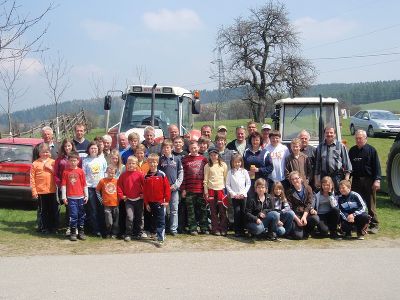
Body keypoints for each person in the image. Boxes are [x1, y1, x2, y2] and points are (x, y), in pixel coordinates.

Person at [349, 129, 381, 234]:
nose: (358, 140)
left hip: (369, 180)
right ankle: (357, 224)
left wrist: (377, 180)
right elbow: (349, 168)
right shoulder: (352, 151)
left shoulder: (372, 150)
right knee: (356, 203)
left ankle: (374, 224)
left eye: (360, 138)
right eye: (356, 138)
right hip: (356, 181)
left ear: (365, 138)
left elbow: (377, 167)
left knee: (370, 204)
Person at [181, 141, 209, 235]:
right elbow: (183, 175)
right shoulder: (185, 160)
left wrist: (206, 189)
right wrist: (183, 189)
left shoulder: (204, 159)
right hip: (189, 189)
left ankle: (204, 227)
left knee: (202, 209)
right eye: (192, 148)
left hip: (201, 189)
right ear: (189, 149)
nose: (194, 150)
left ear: (199, 147)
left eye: (195, 148)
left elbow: (207, 174)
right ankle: (193, 228)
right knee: (191, 210)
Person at [143, 153, 171, 247]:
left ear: (157, 163)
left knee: (160, 220)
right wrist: (146, 203)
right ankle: (155, 234)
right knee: (153, 220)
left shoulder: (162, 174)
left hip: (160, 202)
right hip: (150, 202)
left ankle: (160, 238)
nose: (152, 164)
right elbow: (145, 191)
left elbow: (167, 188)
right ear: (147, 163)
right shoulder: (146, 176)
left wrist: (166, 200)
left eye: (154, 162)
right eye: (150, 162)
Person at [30, 143, 58, 234]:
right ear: (39, 153)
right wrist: (34, 191)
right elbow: (32, 179)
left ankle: (53, 227)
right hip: (41, 191)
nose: (45, 154)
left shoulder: (53, 162)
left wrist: (50, 168)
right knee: (43, 211)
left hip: (52, 190)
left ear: (49, 152)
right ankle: (44, 227)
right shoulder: (35, 163)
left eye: (47, 152)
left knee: (53, 210)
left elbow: (57, 175)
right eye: (43, 152)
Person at [117, 156, 146, 241]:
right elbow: (119, 186)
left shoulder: (140, 175)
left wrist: (143, 194)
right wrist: (122, 196)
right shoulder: (123, 175)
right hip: (128, 200)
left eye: (133, 163)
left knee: (140, 217)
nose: (131, 165)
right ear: (126, 165)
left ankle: (139, 233)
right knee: (130, 217)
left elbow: (145, 185)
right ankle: (128, 234)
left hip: (139, 200)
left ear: (136, 165)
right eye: (129, 163)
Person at [315, 127, 352, 193]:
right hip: (324, 176)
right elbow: (317, 164)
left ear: (335, 134)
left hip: (337, 176)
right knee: (325, 195)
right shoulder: (320, 147)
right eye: (327, 133)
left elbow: (347, 163)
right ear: (324, 134)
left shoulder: (340, 146)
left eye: (331, 133)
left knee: (338, 195)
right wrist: (316, 179)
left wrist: (346, 178)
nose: (329, 134)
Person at [61, 151, 88, 241]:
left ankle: (81, 232)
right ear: (68, 161)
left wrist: (86, 195)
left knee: (81, 215)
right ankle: (73, 233)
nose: (73, 162)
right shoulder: (66, 172)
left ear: (78, 161)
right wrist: (64, 197)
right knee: (73, 215)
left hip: (80, 197)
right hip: (71, 198)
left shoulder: (81, 171)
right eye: (71, 160)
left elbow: (84, 184)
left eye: (75, 160)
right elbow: (63, 185)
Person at [158, 139, 183, 236]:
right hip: (163, 189)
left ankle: (173, 229)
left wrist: (176, 185)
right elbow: (158, 174)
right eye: (164, 147)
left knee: (174, 209)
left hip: (174, 189)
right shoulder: (160, 160)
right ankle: (163, 227)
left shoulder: (177, 159)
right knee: (163, 210)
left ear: (171, 148)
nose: (166, 149)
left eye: (168, 147)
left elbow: (181, 173)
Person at [54, 138, 79, 236]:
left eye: (69, 145)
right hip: (64, 187)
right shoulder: (59, 159)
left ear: (72, 146)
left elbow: (80, 172)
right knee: (68, 207)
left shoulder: (76, 158)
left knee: (73, 208)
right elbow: (55, 174)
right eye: (65, 146)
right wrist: (61, 185)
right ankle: (68, 227)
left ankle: (73, 227)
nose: (67, 148)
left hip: (75, 187)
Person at [82, 142, 107, 236]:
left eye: (95, 148)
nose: (93, 150)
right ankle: (95, 229)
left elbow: (105, 173)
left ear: (98, 150)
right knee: (93, 210)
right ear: (88, 149)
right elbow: (83, 176)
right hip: (90, 188)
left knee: (101, 208)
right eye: (92, 148)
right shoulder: (85, 161)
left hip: (100, 188)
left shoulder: (102, 160)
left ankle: (103, 228)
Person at [286, 171, 319, 240]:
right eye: (292, 179)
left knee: (315, 218)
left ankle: (307, 231)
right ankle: (298, 230)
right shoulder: (289, 192)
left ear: (301, 179)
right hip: (296, 215)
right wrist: (297, 220)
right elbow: (289, 208)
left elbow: (309, 203)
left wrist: (304, 216)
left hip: (306, 213)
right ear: (291, 182)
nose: (295, 180)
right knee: (298, 237)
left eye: (296, 178)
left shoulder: (308, 188)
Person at [204, 147, 228, 236]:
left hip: (221, 190)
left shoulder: (223, 165)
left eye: (215, 155)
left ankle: (223, 229)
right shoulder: (207, 166)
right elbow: (205, 180)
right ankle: (215, 229)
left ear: (218, 155)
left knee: (222, 210)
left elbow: (226, 178)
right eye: (211, 155)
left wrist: (226, 191)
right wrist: (206, 192)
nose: (213, 157)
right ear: (209, 156)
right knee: (213, 211)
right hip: (211, 190)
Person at [226, 153, 251, 237]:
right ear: (232, 163)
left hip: (243, 196)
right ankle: (237, 230)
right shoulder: (230, 172)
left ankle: (243, 229)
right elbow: (227, 185)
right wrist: (233, 194)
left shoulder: (244, 171)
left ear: (241, 162)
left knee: (243, 212)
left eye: (239, 162)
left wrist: (243, 193)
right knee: (236, 212)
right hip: (235, 196)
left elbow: (248, 183)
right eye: (235, 162)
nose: (237, 164)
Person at [243, 132, 273, 199]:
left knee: (261, 200)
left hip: (262, 183)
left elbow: (270, 168)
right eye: (253, 139)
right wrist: (246, 172)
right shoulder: (246, 152)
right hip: (249, 182)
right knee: (250, 201)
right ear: (250, 140)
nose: (255, 142)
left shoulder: (265, 153)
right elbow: (243, 166)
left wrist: (259, 170)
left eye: (257, 140)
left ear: (260, 141)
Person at [96, 166, 119, 238]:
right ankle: (108, 232)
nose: (111, 174)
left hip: (116, 204)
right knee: (109, 221)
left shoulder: (117, 181)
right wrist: (101, 200)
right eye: (109, 172)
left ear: (115, 173)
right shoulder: (102, 181)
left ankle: (114, 233)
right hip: (106, 205)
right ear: (106, 172)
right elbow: (97, 190)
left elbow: (120, 191)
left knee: (116, 220)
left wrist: (119, 199)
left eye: (112, 173)